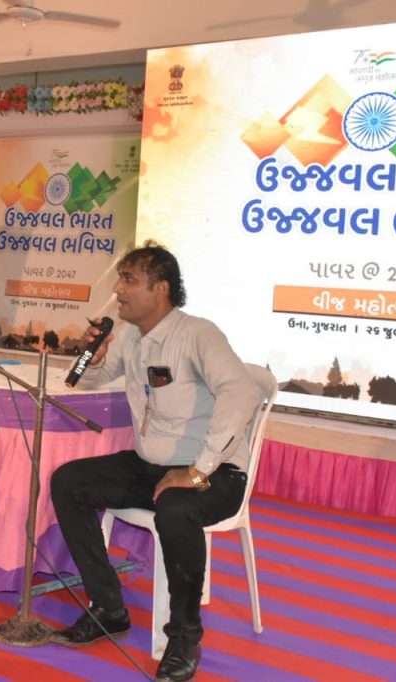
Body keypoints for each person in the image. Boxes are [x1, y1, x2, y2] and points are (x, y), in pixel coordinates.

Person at [50, 242, 261, 682]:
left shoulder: (198, 333)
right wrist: (93, 358)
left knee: (177, 508)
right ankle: (109, 608)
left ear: (160, 289)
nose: (117, 289)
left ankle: (184, 637)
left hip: (215, 471)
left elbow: (242, 392)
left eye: (129, 280)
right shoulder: (130, 334)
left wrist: (198, 469)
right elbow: (84, 381)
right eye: (119, 279)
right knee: (69, 481)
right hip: (152, 467)